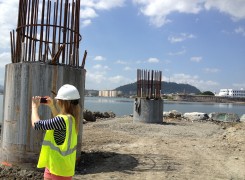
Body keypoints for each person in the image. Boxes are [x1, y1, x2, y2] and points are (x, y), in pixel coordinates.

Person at [31, 84, 80, 180]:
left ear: (62, 102)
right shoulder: (72, 119)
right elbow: (59, 121)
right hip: (55, 166)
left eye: (58, 98)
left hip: (60, 170)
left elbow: (37, 125)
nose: (56, 100)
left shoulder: (63, 119)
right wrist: (52, 106)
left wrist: (34, 107)